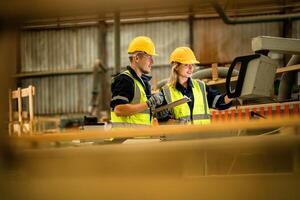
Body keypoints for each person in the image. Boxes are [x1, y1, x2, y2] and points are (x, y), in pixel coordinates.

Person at [157, 47, 232, 125]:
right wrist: (178, 123)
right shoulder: (166, 92)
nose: (191, 68)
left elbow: (219, 102)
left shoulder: (201, 86)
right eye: (186, 65)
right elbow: (162, 121)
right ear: (176, 67)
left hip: (202, 135)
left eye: (192, 64)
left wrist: (232, 94)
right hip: (180, 136)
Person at [110, 36, 164, 127]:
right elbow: (119, 110)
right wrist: (148, 103)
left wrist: (157, 109)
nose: (152, 62)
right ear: (137, 58)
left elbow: (141, 113)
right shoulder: (125, 80)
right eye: (149, 57)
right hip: (126, 139)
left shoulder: (142, 83)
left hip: (138, 138)